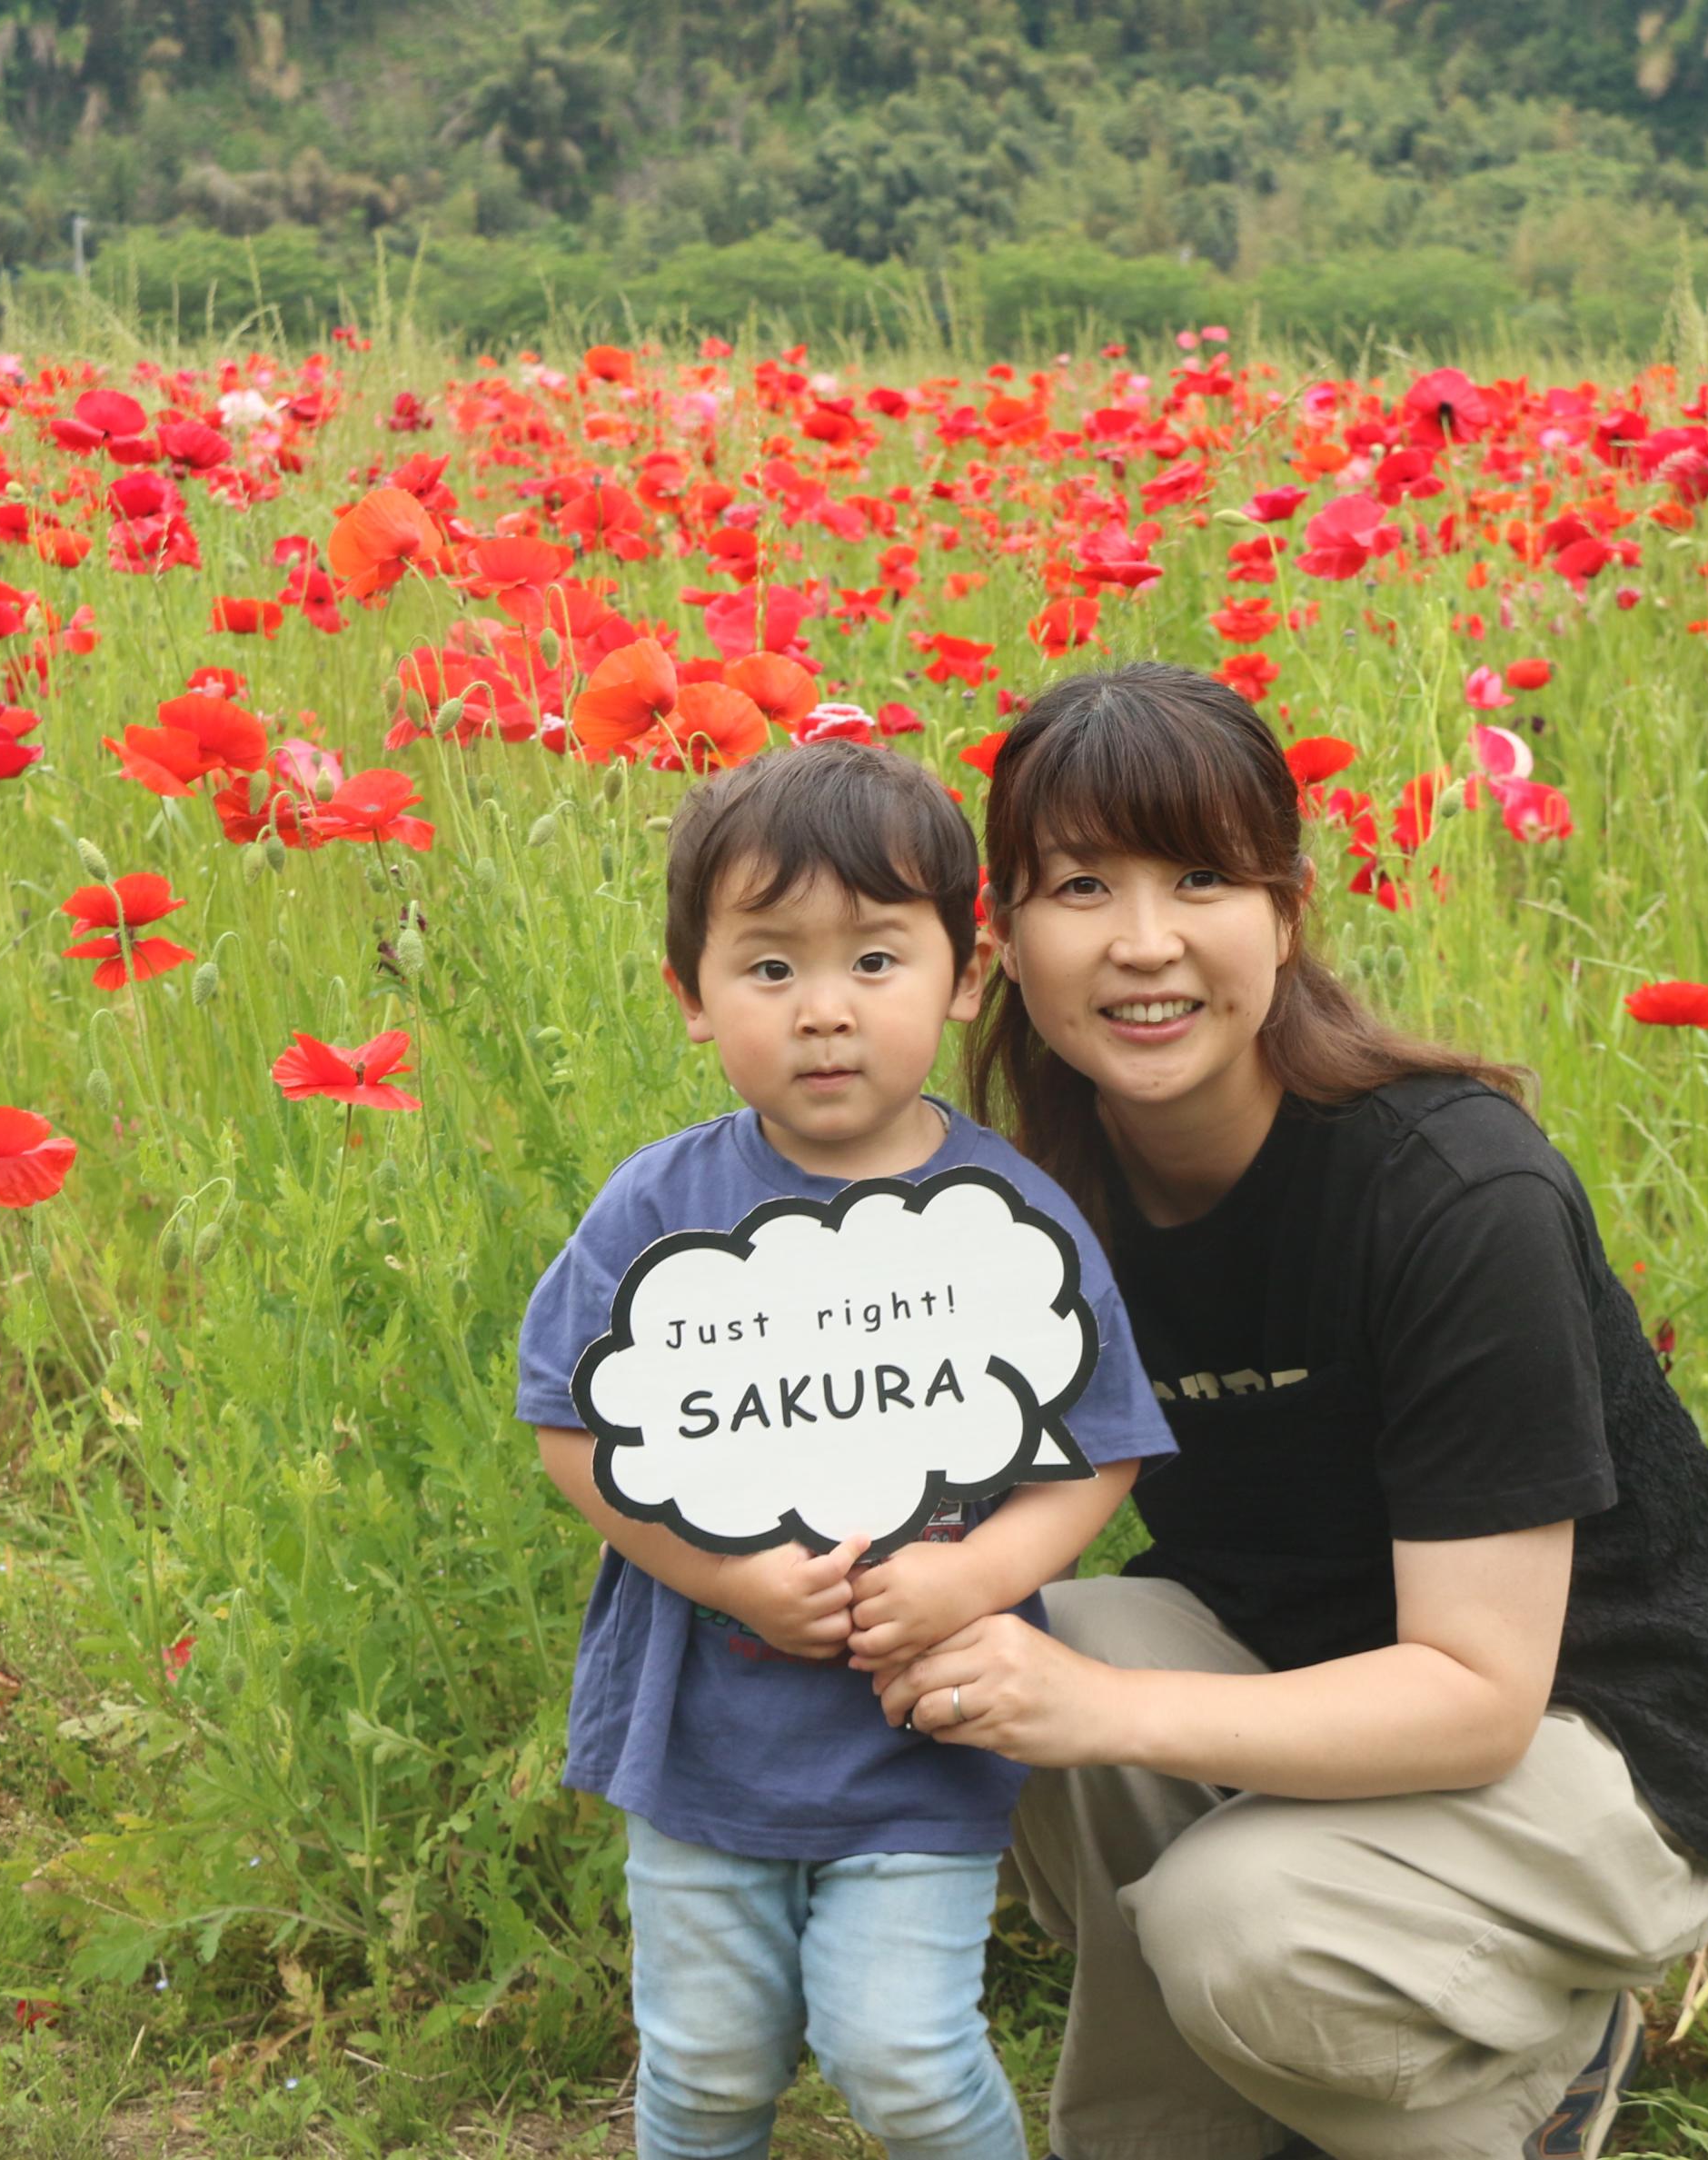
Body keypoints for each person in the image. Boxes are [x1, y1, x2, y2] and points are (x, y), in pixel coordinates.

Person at [875, 663, 1708, 2160]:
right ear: (1005, 941)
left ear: (1287, 914)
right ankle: (1168, 2141)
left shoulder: (1451, 1194)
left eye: (1202, 878)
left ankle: (1534, 2073)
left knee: (1239, 1923)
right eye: (1082, 886)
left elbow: (1479, 1692)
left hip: (1595, 1737)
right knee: (1001, 1650)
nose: (1144, 940)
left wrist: (1105, 1709)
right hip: (1304, 1669)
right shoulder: (1025, 1210)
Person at [518, 741, 1175, 2160]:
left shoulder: (1014, 1217)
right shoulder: (659, 1207)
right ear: (690, 994)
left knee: (907, 2060)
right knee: (705, 2068)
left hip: (918, 1735)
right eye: (769, 967)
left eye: (875, 960)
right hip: (702, 1735)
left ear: (965, 974)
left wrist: (973, 1580)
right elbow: (567, 1423)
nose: (824, 1010)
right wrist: (726, 1576)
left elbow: (1097, 1453)